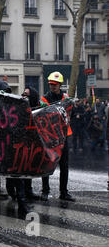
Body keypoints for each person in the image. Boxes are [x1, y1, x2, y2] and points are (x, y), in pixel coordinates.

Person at [40, 71, 75, 202]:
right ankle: (45, 191)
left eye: (55, 84)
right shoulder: (44, 98)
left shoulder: (65, 97)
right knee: (46, 164)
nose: (52, 86)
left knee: (64, 165)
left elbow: (71, 113)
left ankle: (64, 192)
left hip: (64, 135)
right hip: (49, 136)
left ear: (60, 85)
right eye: (50, 84)